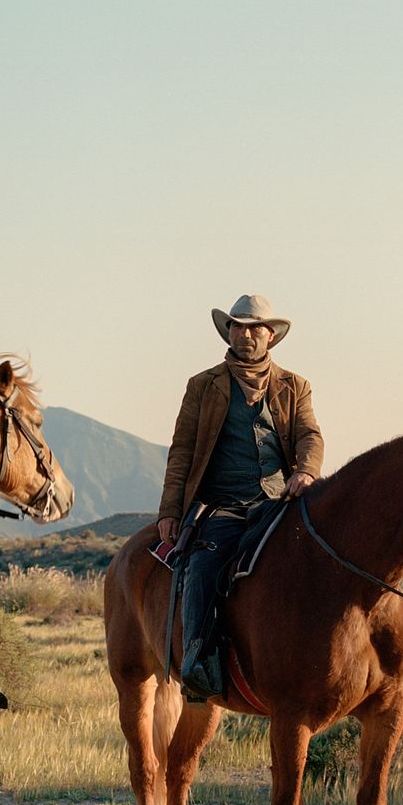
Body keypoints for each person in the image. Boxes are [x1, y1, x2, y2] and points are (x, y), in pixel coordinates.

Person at [157, 295, 324, 700]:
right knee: (202, 566)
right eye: (237, 325)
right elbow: (181, 450)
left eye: (254, 327)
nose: (245, 333)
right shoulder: (203, 385)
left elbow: (309, 434)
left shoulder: (294, 386)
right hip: (224, 505)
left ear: (271, 336)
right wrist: (170, 510)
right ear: (228, 332)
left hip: (278, 504)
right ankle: (197, 662)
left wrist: (305, 470)